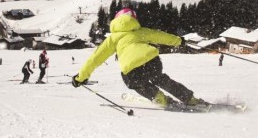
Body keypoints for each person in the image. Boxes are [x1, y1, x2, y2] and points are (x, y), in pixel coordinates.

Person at [71, 8, 206, 109]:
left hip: (132, 69)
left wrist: (80, 77)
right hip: (152, 60)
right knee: (160, 78)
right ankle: (190, 99)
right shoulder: (141, 31)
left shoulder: (113, 38)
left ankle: (161, 99)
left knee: (134, 82)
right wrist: (179, 41)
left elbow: (95, 59)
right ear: (133, 19)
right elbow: (161, 36)